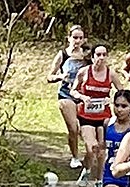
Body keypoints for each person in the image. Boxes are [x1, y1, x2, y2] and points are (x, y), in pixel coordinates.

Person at [71, 43, 124, 187]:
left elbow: (123, 94)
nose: (101, 58)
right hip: (86, 115)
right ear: (92, 57)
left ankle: (99, 180)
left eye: (104, 55)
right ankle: (87, 168)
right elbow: (73, 91)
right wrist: (82, 97)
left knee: (101, 151)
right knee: (91, 148)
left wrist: (112, 100)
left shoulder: (111, 74)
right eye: (98, 55)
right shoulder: (84, 72)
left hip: (104, 117)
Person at [46, 25, 88, 169]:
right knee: (73, 128)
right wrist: (59, 77)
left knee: (87, 128)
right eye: (75, 37)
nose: (77, 41)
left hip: (83, 95)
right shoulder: (62, 54)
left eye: (80, 38)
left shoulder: (87, 55)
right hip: (66, 94)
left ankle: (90, 157)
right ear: (68, 38)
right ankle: (75, 157)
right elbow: (49, 77)